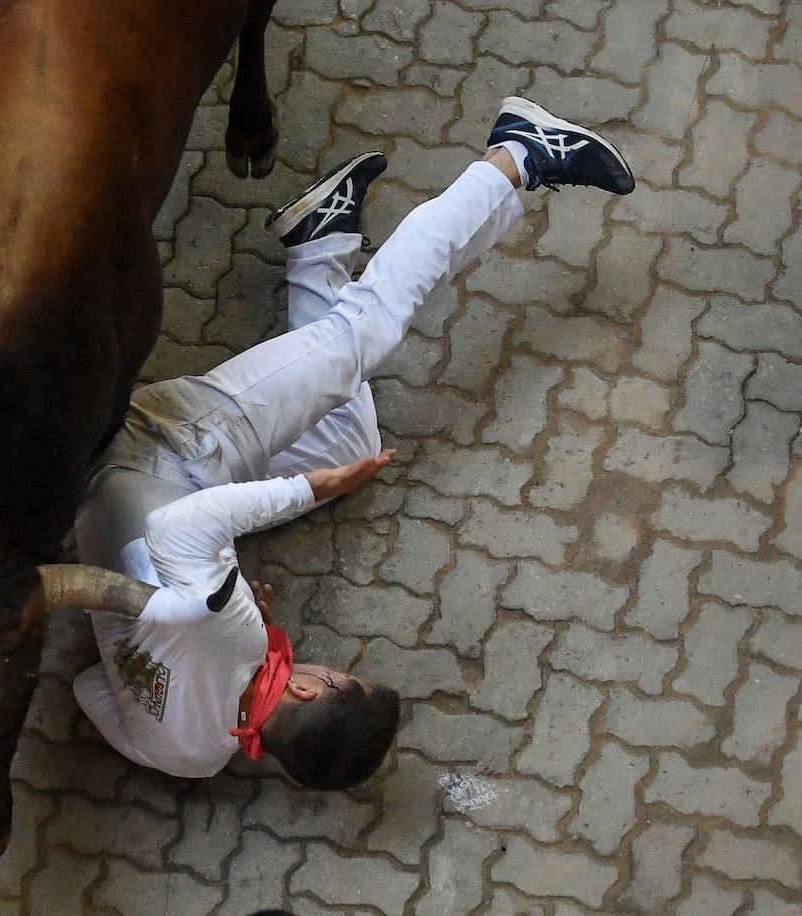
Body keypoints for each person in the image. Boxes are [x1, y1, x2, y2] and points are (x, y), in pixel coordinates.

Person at [72, 97, 635, 787]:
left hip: (166, 446)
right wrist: (163, 638)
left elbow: (184, 531)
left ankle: (518, 156)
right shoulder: (192, 757)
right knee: (351, 437)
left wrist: (306, 496)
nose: (322, 664)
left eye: (341, 672)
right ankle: (320, 243)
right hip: (103, 510)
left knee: (362, 336)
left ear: (312, 689)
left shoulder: (233, 626)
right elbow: (90, 692)